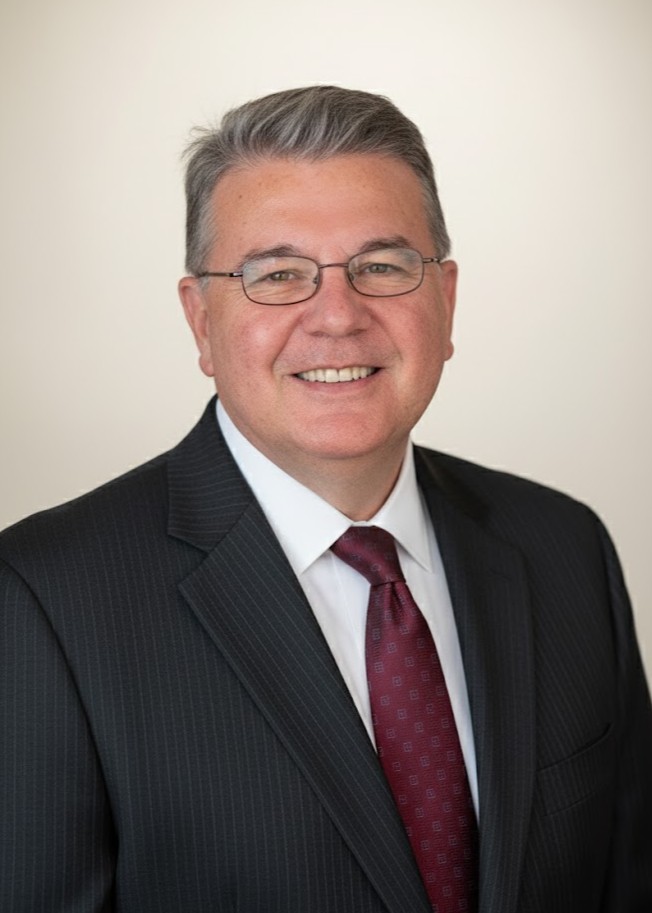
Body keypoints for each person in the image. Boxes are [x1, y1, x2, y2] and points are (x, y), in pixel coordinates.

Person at [1, 85, 650, 913]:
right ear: (201, 320)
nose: (337, 316)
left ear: (445, 300)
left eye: (382, 266)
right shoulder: (41, 601)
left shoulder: (565, 547)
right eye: (277, 275)